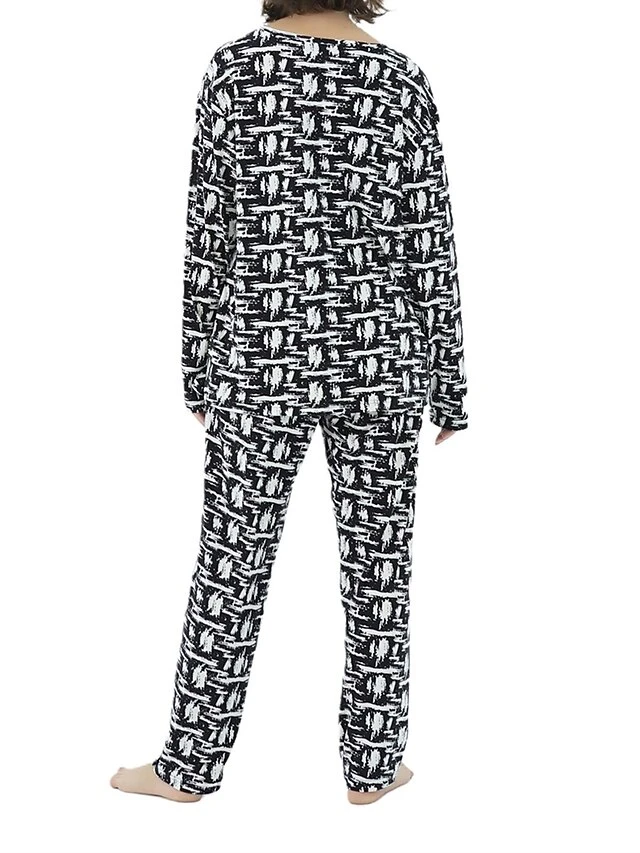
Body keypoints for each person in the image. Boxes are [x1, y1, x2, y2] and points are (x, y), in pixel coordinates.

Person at [111, 0, 469, 806]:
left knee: (230, 564)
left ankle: (187, 767)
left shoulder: (235, 68)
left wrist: (198, 365)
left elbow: (209, 228)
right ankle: (373, 766)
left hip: (260, 360)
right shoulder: (399, 78)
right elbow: (430, 240)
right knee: (379, 570)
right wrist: (449, 379)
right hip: (379, 362)